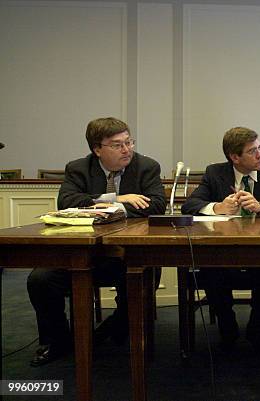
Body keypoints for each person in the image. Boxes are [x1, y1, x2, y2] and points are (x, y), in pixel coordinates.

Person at [27, 117, 166, 366]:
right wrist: (117, 199)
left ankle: (112, 329)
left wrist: (100, 207)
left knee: (147, 272)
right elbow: (67, 202)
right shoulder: (78, 168)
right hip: (82, 252)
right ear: (97, 149)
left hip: (127, 252)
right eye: (117, 145)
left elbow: (155, 205)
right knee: (41, 279)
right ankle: (57, 341)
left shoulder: (146, 166)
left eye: (128, 142)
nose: (127, 150)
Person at [181, 126, 260, 353]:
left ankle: (257, 328)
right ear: (234, 157)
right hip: (223, 252)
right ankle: (228, 327)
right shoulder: (215, 173)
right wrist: (217, 207)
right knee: (209, 271)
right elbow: (190, 205)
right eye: (252, 151)